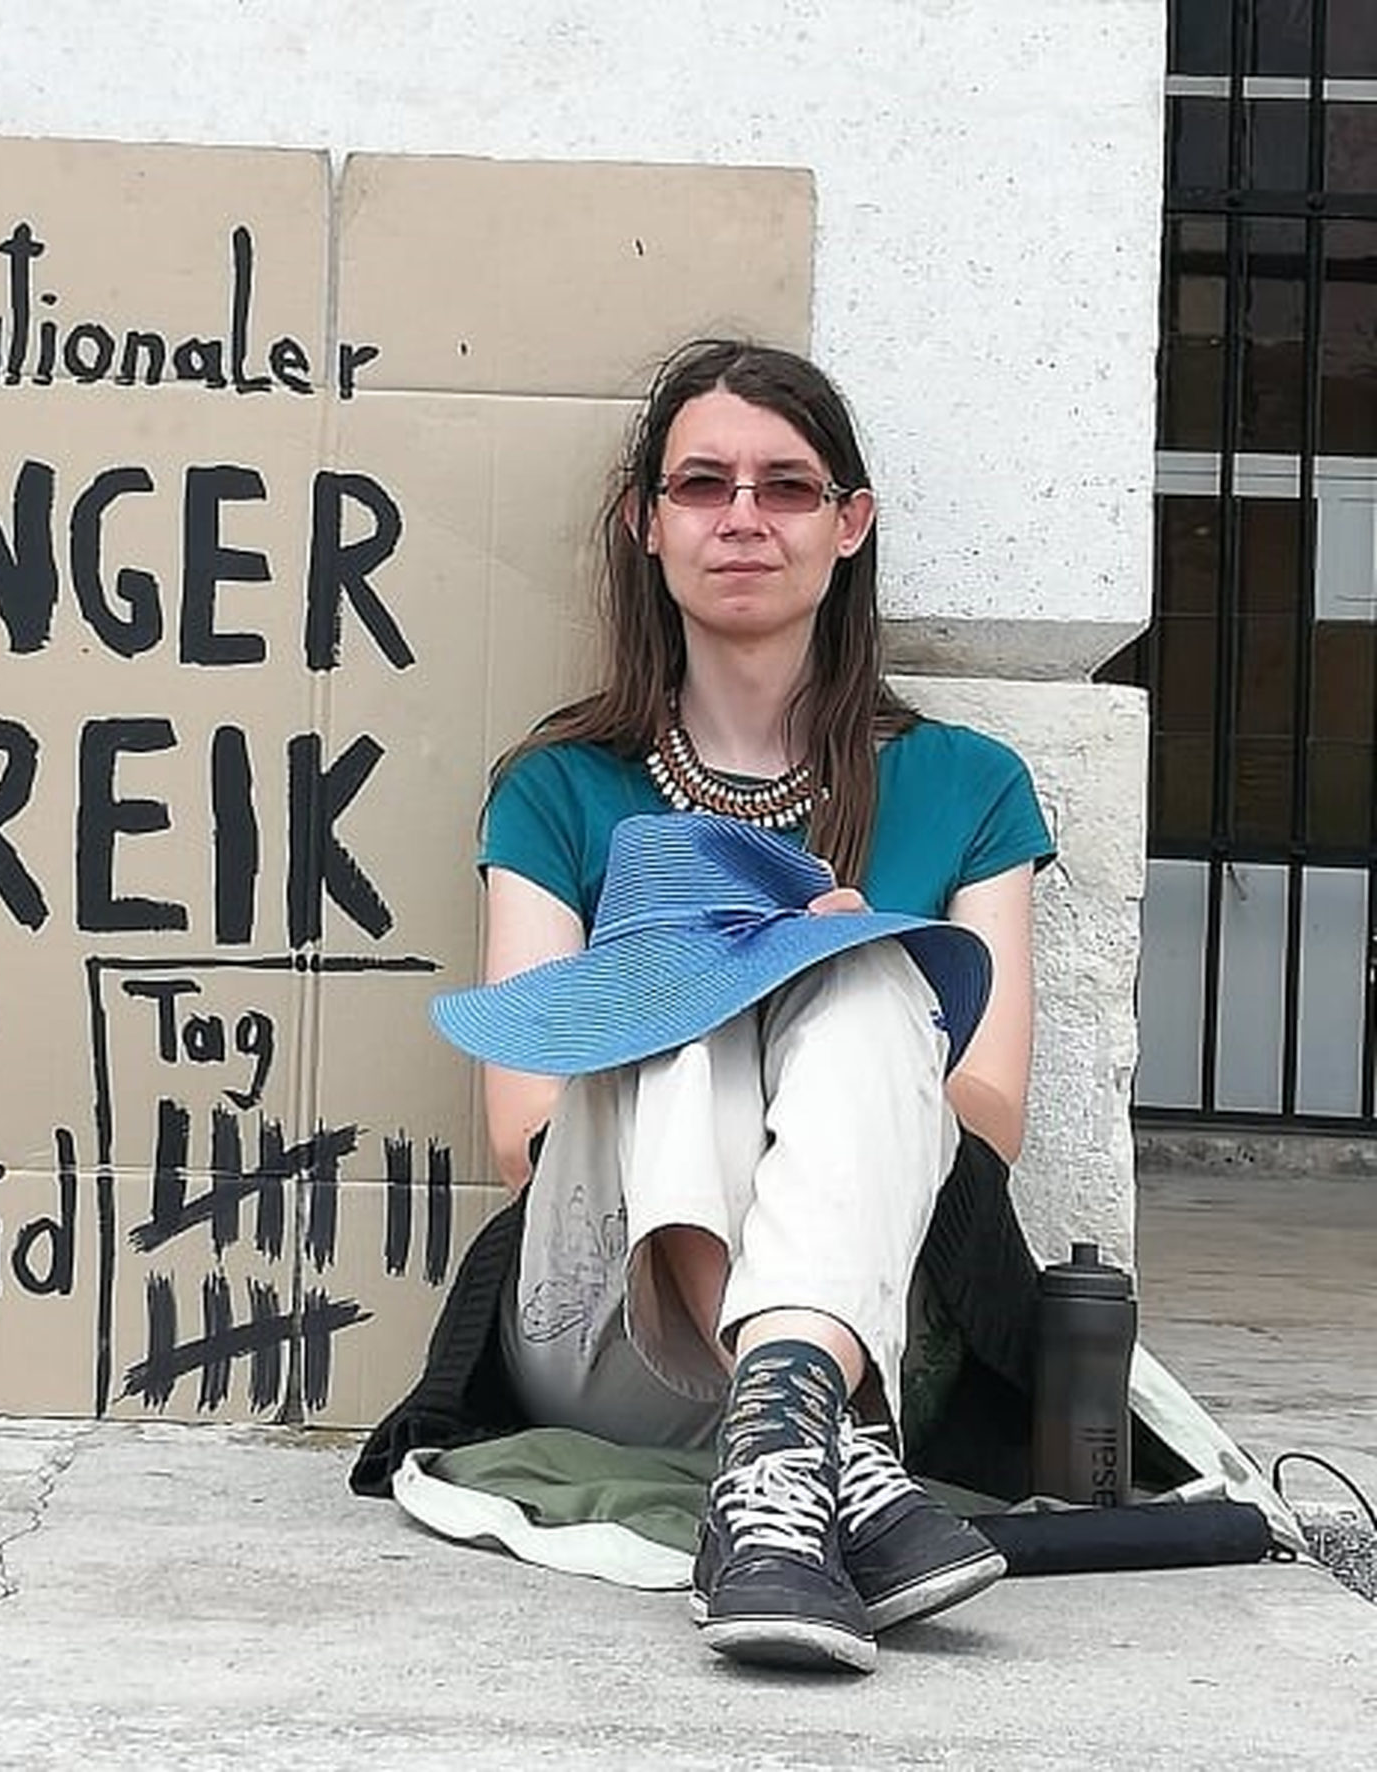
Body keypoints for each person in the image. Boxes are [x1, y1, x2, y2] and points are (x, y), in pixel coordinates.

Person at [450, 339, 1054, 1674]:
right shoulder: (560, 790)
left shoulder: (968, 787)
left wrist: (835, 969)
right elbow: (522, 1126)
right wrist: (730, 969)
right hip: (607, 1320)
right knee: (708, 960)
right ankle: (804, 1448)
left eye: (786, 487)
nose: (741, 517)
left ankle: (781, 1437)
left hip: (885, 1317)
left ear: (849, 526)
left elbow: (989, 1117)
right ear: (647, 524)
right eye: (703, 483)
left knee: (853, 963)